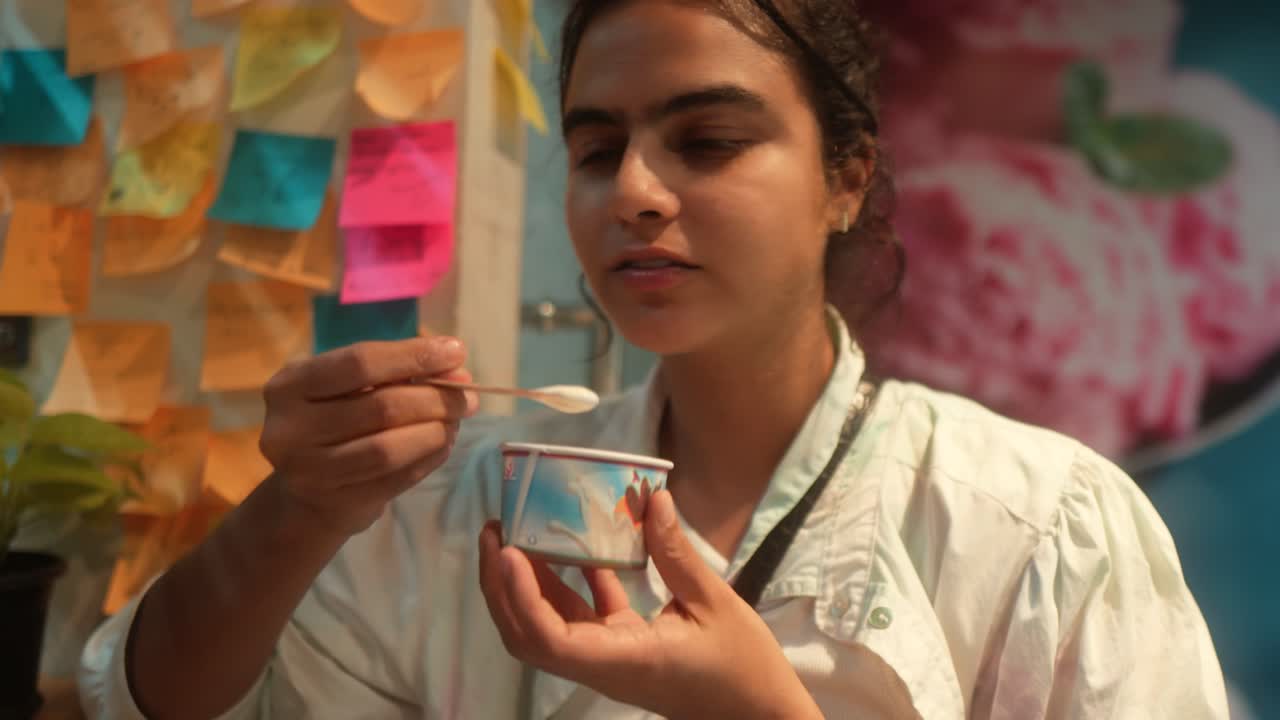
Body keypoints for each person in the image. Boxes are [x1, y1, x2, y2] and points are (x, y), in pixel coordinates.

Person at [79, 1, 1229, 718]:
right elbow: (147, 704)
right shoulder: (455, 510)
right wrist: (295, 512)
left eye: (707, 140)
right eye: (595, 149)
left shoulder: (1031, 527)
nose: (631, 189)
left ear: (844, 179)